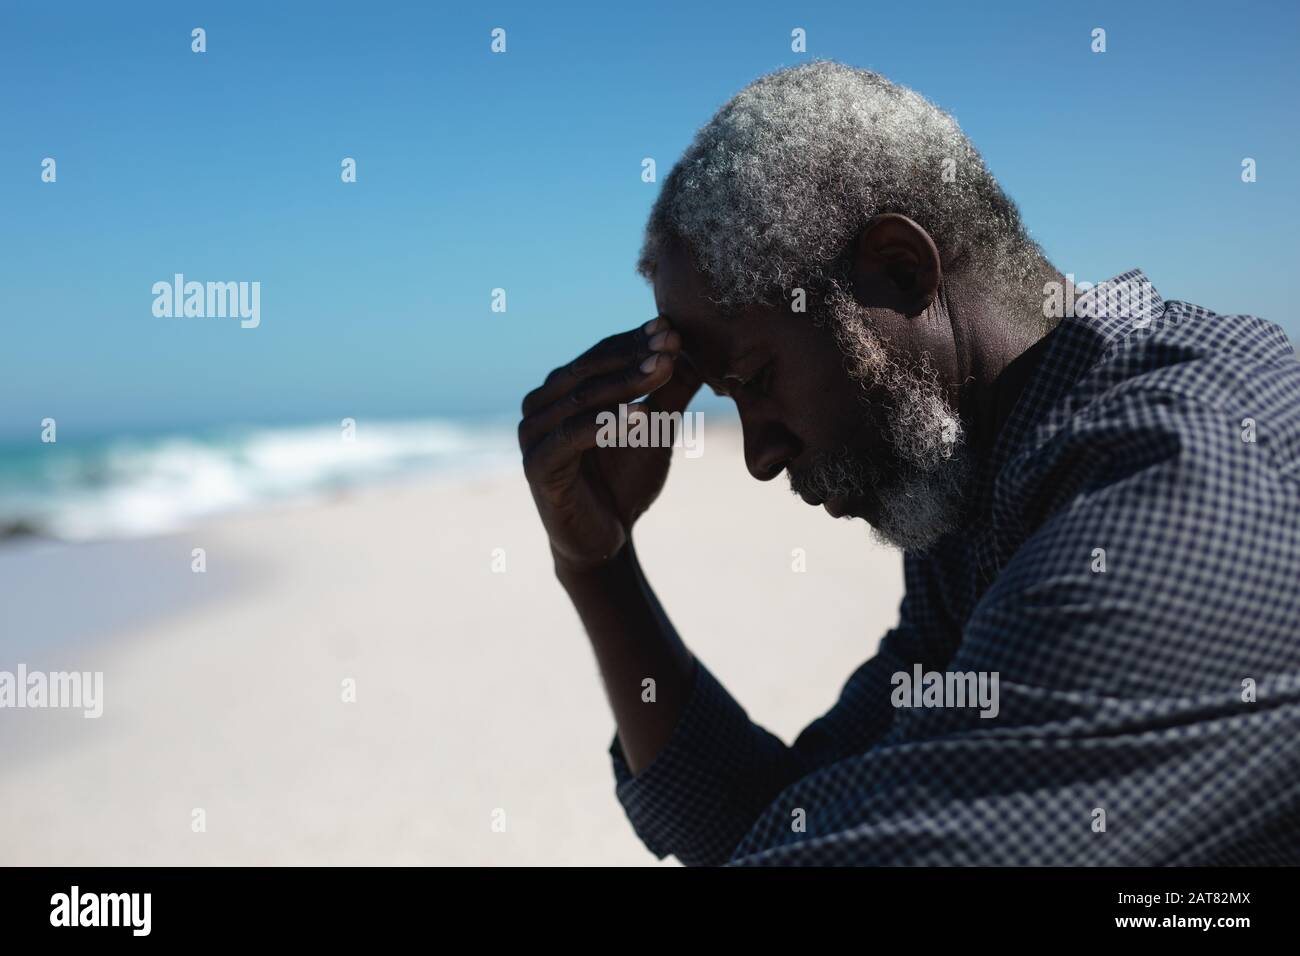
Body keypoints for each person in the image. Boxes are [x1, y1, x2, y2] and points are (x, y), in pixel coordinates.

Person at [518, 62, 1300, 865]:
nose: (760, 455)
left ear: (901, 271)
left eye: (755, 380)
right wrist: (597, 563)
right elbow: (768, 821)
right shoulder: (985, 493)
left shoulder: (1179, 480)